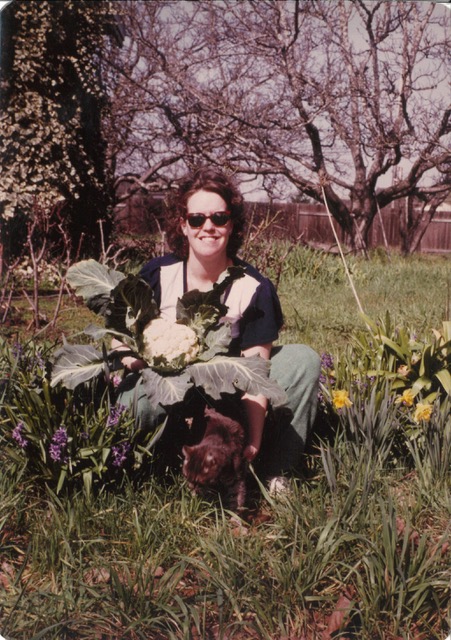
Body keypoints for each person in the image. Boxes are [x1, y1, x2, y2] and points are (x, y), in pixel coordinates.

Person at [113, 167, 320, 487]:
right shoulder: (157, 275)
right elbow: (118, 337)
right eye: (197, 219)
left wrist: (254, 442)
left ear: (231, 224)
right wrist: (135, 361)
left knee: (303, 360)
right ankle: (149, 463)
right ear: (183, 225)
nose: (208, 227)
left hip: (228, 390)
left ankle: (277, 471)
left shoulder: (253, 287)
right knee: (133, 405)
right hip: (165, 385)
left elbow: (257, 371)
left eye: (219, 218)